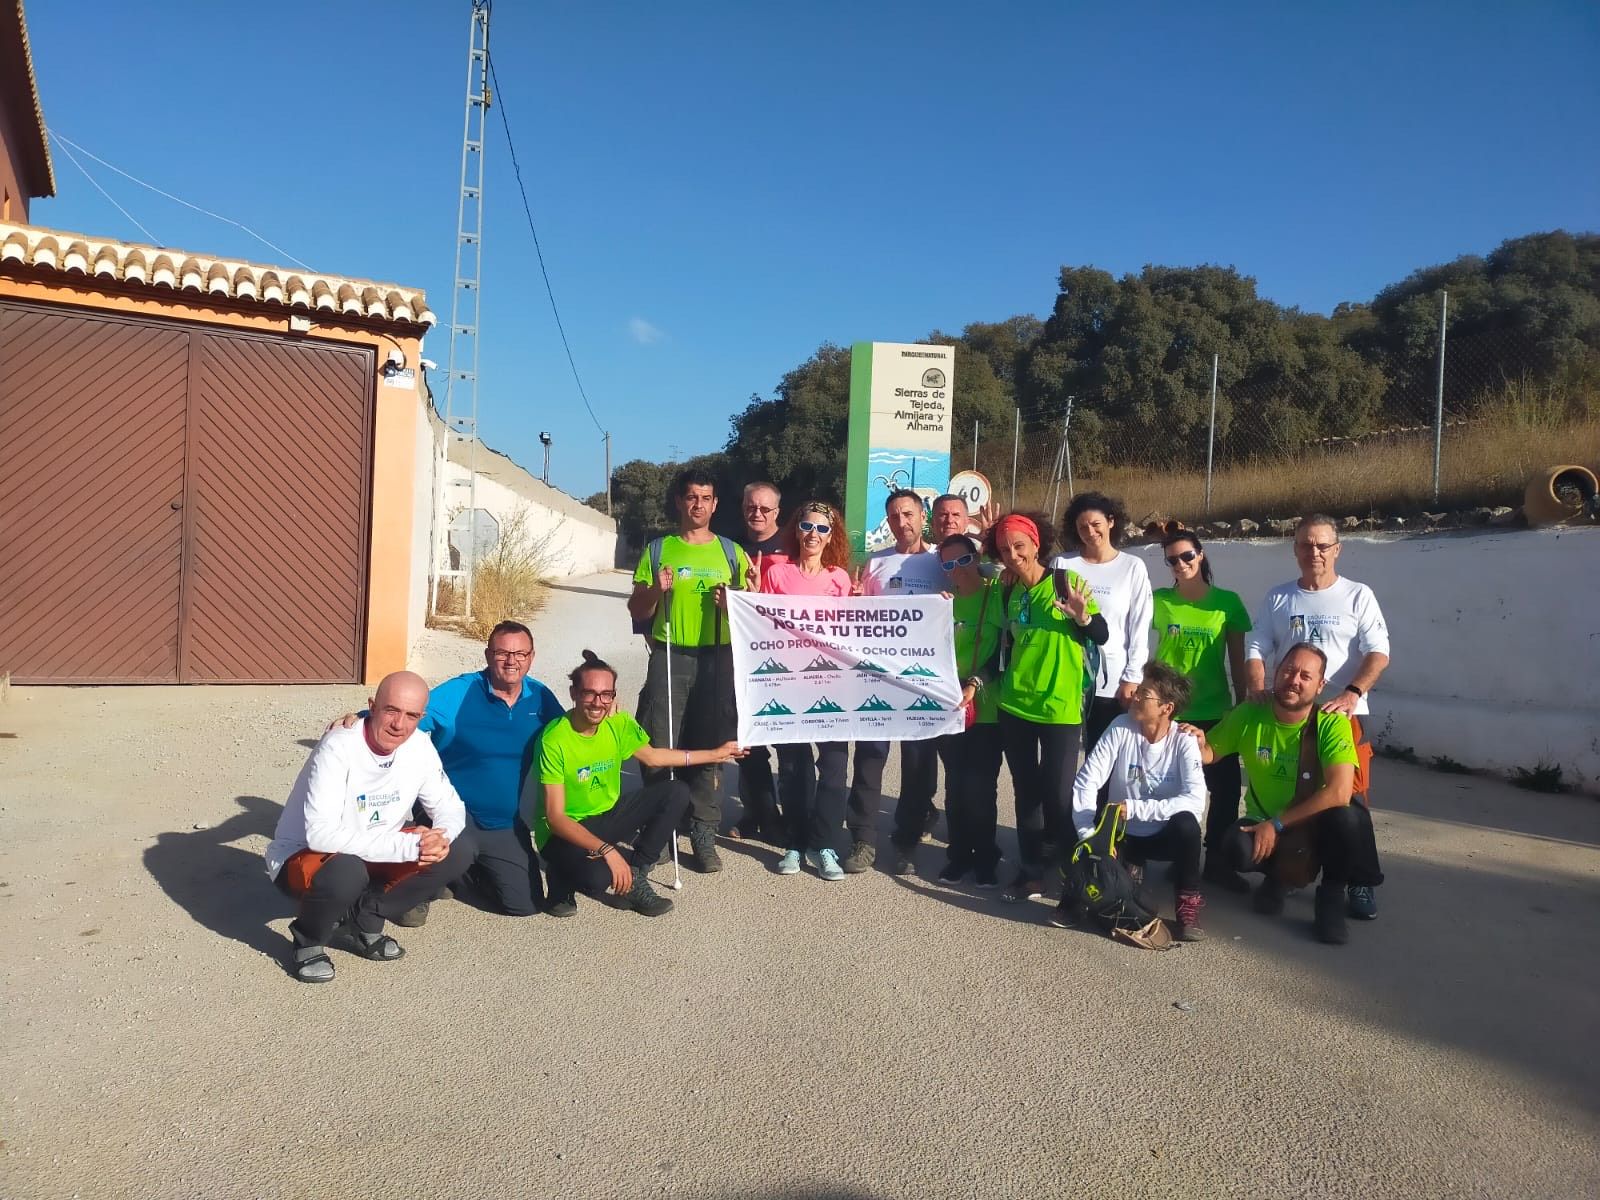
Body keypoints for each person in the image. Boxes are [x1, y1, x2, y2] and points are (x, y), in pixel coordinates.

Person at [325, 621, 567, 923]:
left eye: (520, 654)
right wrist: (364, 717)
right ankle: (405, 887)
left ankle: (453, 875)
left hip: (504, 822)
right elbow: (408, 713)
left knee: (524, 904)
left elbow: (570, 733)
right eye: (502, 653)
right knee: (428, 890)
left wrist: (606, 719)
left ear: (532, 656)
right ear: (488, 655)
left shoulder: (541, 697)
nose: (511, 661)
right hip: (452, 810)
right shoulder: (461, 691)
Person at [265, 672, 474, 984]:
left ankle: (365, 918)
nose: (399, 724)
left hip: (374, 851)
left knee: (460, 849)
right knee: (347, 870)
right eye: (391, 710)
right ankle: (308, 941)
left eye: (411, 715)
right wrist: (411, 845)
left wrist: (438, 837)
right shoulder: (338, 746)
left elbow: (451, 806)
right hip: (306, 858)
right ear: (371, 706)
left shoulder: (419, 745)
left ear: (422, 716)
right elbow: (320, 835)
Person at [1244, 514, 1390, 921]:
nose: (1315, 553)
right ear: (1295, 549)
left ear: (1337, 549)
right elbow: (1257, 643)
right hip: (1291, 717)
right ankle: (1289, 872)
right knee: (1296, 799)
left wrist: (1352, 692)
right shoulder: (1279, 598)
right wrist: (1256, 681)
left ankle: (1358, 880)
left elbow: (1378, 652)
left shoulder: (1358, 595)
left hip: (1342, 716)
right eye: (1306, 545)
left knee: (1351, 805)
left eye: (1323, 545)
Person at [1187, 643, 1383, 945]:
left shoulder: (1331, 722)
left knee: (1348, 820)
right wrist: (1197, 742)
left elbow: (1340, 791)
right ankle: (1279, 877)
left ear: (1320, 686)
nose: (1294, 680)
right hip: (1264, 819)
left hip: (1316, 826)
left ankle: (1330, 896)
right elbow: (1212, 751)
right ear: (1275, 673)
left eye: (1306, 676)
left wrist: (1276, 823)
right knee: (1235, 846)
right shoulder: (1250, 712)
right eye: (1289, 670)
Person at [532, 652, 746, 916]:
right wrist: (607, 851)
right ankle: (560, 875)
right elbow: (555, 818)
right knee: (597, 879)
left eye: (606, 694)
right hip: (563, 831)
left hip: (605, 816)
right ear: (574, 693)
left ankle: (636, 873)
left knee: (675, 791)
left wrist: (716, 753)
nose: (598, 702)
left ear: (613, 696)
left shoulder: (617, 722)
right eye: (589, 693)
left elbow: (654, 756)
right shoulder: (554, 740)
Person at [627, 468, 752, 874]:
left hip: (718, 655)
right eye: (691, 498)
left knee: (709, 746)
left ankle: (702, 830)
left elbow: (753, 612)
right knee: (660, 742)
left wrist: (732, 603)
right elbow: (637, 610)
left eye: (706, 498)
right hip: (670, 655)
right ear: (680, 502)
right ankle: (659, 829)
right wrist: (654, 591)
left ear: (716, 505)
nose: (698, 505)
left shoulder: (733, 553)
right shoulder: (660, 550)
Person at [985, 511, 1108, 903]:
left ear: (1037, 544)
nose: (1013, 555)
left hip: (1060, 710)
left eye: (1019, 546)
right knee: (1026, 794)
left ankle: (1075, 872)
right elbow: (1006, 646)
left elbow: (1101, 634)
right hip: (1015, 706)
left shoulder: (1065, 581)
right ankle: (1032, 871)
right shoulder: (1008, 590)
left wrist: (1082, 616)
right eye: (1005, 549)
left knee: (1058, 797)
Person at [1063, 662, 1208, 940]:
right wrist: (1088, 834)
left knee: (1188, 825)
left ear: (1167, 707)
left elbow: (1195, 799)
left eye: (1145, 693)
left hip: (1162, 835)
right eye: (1138, 689)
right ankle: (1077, 895)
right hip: (1122, 833)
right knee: (1079, 810)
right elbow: (1087, 779)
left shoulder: (1184, 741)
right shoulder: (1121, 726)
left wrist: (1137, 808)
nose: (1135, 696)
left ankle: (1187, 905)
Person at [843, 488, 946, 874]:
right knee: (870, 757)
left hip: (924, 678)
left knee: (919, 763)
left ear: (923, 517)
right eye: (893, 517)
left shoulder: (941, 560)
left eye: (908, 514)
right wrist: (854, 600)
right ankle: (863, 839)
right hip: (879, 677)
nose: (901, 523)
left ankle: (906, 839)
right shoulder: (875, 564)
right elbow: (860, 616)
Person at [1150, 532, 1254, 894]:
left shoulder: (1228, 603)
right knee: (1171, 788)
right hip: (1170, 712)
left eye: (1187, 555)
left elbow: (1238, 660)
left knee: (1224, 792)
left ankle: (1219, 864)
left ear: (1201, 554)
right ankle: (1178, 857)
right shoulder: (1159, 601)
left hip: (1216, 712)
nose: (1180, 564)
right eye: (1172, 559)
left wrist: (1243, 704)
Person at [759, 500, 855, 880]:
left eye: (823, 529)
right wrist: (749, 595)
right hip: (788, 682)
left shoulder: (840, 579)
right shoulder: (777, 573)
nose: (814, 534)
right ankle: (796, 842)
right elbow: (762, 624)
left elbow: (849, 631)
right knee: (794, 767)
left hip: (831, 682)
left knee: (833, 766)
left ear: (833, 537)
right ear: (796, 529)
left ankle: (825, 843)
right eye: (808, 526)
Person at [1051, 493, 1153, 777]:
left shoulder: (1132, 567)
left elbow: (1139, 625)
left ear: (1111, 522)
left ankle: (1103, 820)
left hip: (1113, 683)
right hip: (1068, 679)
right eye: (1082, 527)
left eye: (1096, 524)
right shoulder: (1062, 564)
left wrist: (1132, 677)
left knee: (1105, 762)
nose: (1090, 532)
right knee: (1064, 766)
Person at [932, 534, 1005, 887]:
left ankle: (986, 857)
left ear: (976, 558)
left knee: (982, 789)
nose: (957, 570)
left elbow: (1003, 651)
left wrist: (976, 681)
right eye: (948, 564)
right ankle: (959, 856)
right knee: (956, 785)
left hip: (987, 706)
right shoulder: (942, 604)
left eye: (963, 560)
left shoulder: (998, 594)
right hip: (950, 707)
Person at [733, 480, 786, 843]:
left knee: (789, 742)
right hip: (742, 659)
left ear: (777, 512)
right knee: (748, 744)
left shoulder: (794, 546)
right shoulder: (730, 549)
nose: (758, 513)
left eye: (765, 509)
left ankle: (793, 814)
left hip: (787, 659)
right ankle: (760, 813)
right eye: (752, 507)